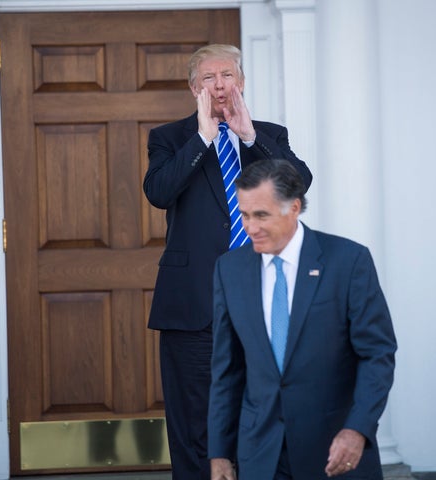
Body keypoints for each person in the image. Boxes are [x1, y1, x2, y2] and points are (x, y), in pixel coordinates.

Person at [143, 44, 312, 480]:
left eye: (227, 76)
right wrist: (202, 137)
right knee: (194, 424)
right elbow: (159, 192)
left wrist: (250, 136)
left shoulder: (268, 135)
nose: (219, 85)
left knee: (266, 415)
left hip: (264, 303)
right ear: (193, 88)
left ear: (241, 82)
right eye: (208, 78)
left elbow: (298, 185)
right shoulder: (170, 138)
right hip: (194, 305)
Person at [208, 159, 397, 480]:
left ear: (293, 207)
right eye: (244, 215)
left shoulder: (349, 261)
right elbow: (226, 371)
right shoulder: (229, 269)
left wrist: (357, 429)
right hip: (261, 455)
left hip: (335, 451)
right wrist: (220, 453)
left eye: (261, 215)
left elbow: (377, 356)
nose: (250, 227)